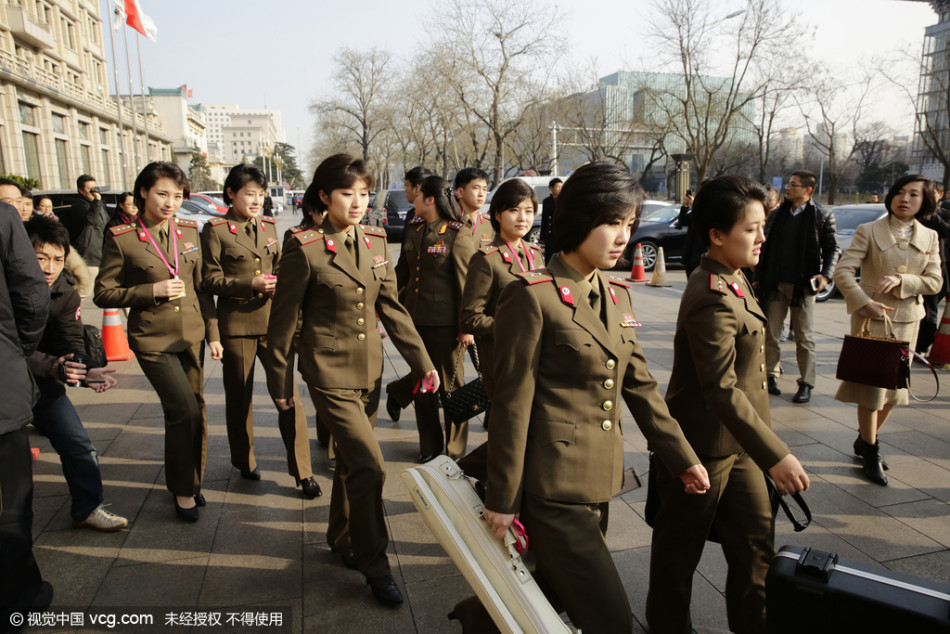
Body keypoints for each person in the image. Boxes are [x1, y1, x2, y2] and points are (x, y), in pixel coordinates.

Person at [482, 162, 711, 633]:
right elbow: (511, 404)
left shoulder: (617, 294)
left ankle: (478, 622)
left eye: (629, 223)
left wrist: (682, 458)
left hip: (600, 481)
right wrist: (503, 498)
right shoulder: (532, 296)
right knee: (610, 619)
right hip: (552, 487)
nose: (624, 236)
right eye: (612, 222)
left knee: (555, 591)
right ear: (580, 219)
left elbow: (640, 387)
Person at [265, 154, 438, 606]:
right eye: (347, 193)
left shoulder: (376, 240)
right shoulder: (304, 247)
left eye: (364, 193)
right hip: (327, 372)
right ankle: (374, 563)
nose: (358, 202)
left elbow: (392, 309)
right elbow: (282, 323)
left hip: (369, 370)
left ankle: (341, 536)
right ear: (324, 197)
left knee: (350, 464)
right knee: (369, 465)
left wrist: (422, 363)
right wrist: (280, 385)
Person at [646, 175, 811, 634]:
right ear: (717, 235)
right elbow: (720, 388)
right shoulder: (711, 295)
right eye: (751, 229)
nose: (762, 237)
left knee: (756, 548)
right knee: (678, 557)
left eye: (763, 227)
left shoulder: (736, 278)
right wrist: (776, 454)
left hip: (741, 447)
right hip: (701, 451)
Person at [94, 162, 220, 522]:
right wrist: (151, 291)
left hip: (191, 334)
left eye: (177, 196)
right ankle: (182, 489)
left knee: (196, 408)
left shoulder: (189, 231)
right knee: (183, 409)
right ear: (143, 192)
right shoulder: (122, 237)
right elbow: (103, 293)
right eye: (162, 194)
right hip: (152, 338)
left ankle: (192, 480)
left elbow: (201, 288)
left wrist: (213, 334)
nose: (170, 203)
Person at [201, 164, 319, 498]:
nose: (256, 200)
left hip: (274, 324)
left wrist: (281, 282)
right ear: (231, 194)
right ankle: (244, 460)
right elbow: (209, 279)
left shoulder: (267, 225)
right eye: (249, 194)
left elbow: (279, 265)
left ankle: (303, 472)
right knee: (240, 398)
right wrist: (249, 284)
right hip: (237, 326)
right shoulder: (215, 230)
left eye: (261, 194)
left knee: (288, 396)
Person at [834, 174, 942, 486]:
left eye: (913, 194)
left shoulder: (930, 237)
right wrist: (863, 302)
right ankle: (871, 451)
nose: (904, 199)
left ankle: (865, 438)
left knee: (894, 392)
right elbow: (843, 271)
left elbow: (935, 281)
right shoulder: (869, 231)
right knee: (872, 391)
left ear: (925, 202)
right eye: (900, 192)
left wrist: (903, 281)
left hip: (908, 322)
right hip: (872, 321)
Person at [23, 216, 127, 532]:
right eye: (41, 258)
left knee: (79, 445)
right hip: (9, 382)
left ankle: (87, 508)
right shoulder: (7, 291)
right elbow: (10, 347)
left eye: (58, 259)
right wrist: (53, 366)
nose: (50, 267)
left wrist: (85, 368)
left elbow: (70, 340)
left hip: (43, 385)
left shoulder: (64, 292)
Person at [387, 175, 476, 461]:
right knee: (423, 385)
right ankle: (430, 447)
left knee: (451, 387)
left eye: (417, 195)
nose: (413, 199)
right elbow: (402, 272)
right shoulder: (414, 228)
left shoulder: (457, 234)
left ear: (430, 199)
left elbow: (466, 284)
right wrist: (384, 301)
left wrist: (466, 326)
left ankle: (455, 450)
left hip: (447, 324)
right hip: (416, 319)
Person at [0, 201, 53, 629]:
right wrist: (14, 349)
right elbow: (33, 297)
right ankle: (19, 596)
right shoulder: (3, 219)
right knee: (10, 502)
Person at [755, 169, 838, 403]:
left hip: (803, 286)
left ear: (808, 190)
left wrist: (825, 275)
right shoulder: (777, 214)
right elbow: (765, 246)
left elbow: (832, 249)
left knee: (804, 336)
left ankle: (806, 383)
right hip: (775, 282)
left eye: (794, 185)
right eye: (789, 184)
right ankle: (771, 375)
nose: (788, 188)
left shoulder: (821, 215)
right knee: (771, 332)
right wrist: (758, 275)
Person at [460, 179, 542, 400]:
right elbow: (470, 318)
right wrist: (511, 327)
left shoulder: (536, 255)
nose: (523, 218)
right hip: (503, 359)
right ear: (497, 215)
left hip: (536, 359)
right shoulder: (486, 259)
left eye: (528, 211)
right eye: (514, 210)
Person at [62, 174, 109, 281]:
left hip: (102, 254)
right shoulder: (78, 206)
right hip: (88, 257)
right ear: (81, 190)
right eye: (90, 190)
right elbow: (90, 221)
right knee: (87, 287)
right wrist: (97, 201)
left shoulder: (99, 205)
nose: (94, 192)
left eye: (95, 189)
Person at [454, 167, 492, 247]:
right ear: (460, 192)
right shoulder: (448, 220)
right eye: (476, 188)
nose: (481, 194)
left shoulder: (490, 224)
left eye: (484, 189)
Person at [539, 177, 562, 264]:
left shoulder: (564, 200)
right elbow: (544, 219)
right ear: (551, 188)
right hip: (550, 234)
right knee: (549, 258)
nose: (560, 189)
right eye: (558, 187)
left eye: (561, 187)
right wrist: (542, 236)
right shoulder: (547, 201)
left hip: (561, 234)